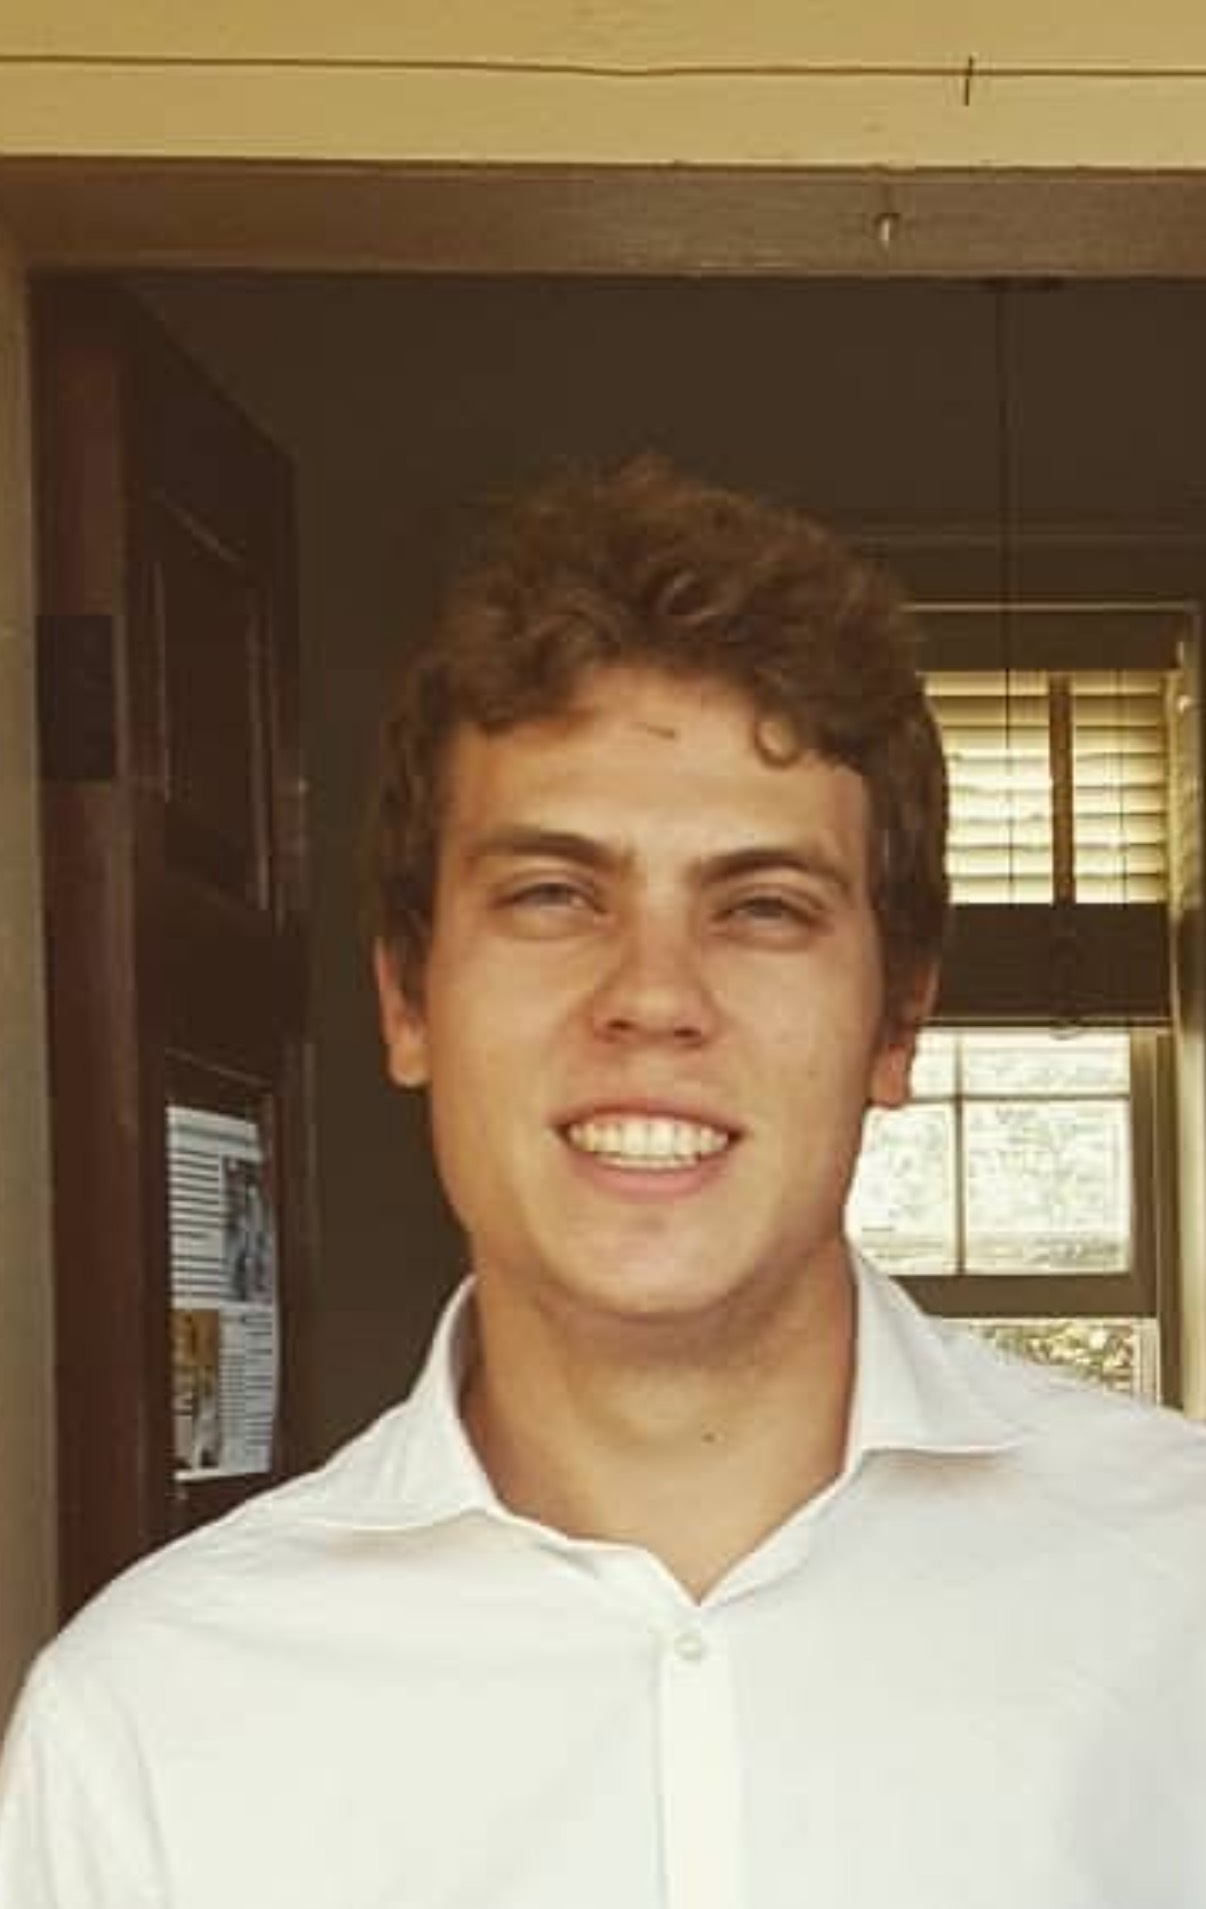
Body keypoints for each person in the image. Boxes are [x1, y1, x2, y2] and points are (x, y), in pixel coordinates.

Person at [2, 457, 1205, 1907]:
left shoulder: (1179, 1598)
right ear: (405, 999)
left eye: (762, 908)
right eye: (553, 895)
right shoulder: (144, 1726)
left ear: (896, 1024)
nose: (652, 997)